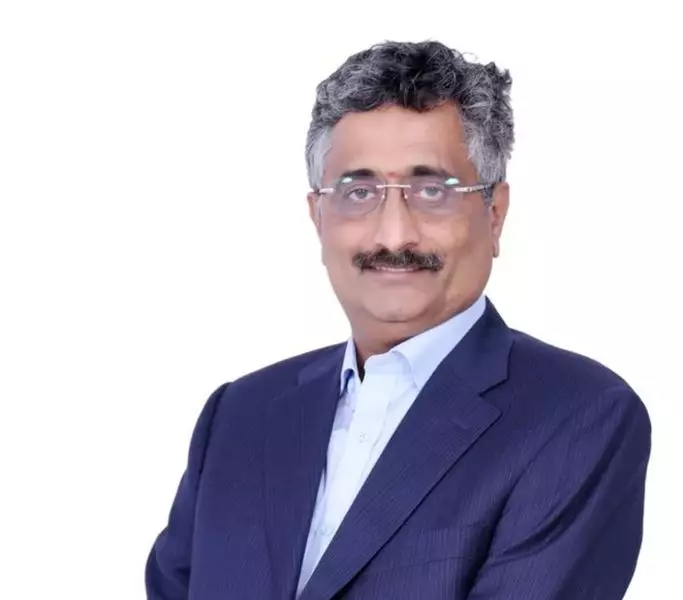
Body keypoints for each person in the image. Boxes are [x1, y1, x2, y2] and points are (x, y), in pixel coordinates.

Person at [145, 40, 652, 600]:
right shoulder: (238, 415)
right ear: (318, 216)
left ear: (495, 213)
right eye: (359, 191)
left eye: (432, 190)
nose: (393, 235)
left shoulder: (577, 417)